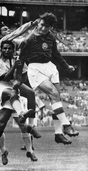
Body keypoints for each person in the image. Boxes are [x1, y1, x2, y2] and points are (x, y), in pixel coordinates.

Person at [14, 12, 79, 145]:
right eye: (42, 25)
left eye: (47, 27)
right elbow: (20, 60)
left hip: (50, 67)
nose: (44, 28)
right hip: (35, 68)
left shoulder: (51, 37)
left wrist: (66, 67)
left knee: (56, 100)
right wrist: (18, 77)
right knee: (54, 94)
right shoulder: (29, 39)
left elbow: (56, 54)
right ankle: (66, 124)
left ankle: (58, 134)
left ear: (51, 27)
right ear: (38, 22)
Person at [0, 22, 41, 164]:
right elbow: (18, 33)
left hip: (11, 89)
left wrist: (37, 34)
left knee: (3, 122)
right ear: (0, 36)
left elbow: (25, 42)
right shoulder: (3, 43)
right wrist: (32, 25)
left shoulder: (13, 49)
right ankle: (1, 150)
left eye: (8, 28)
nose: (9, 30)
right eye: (5, 29)